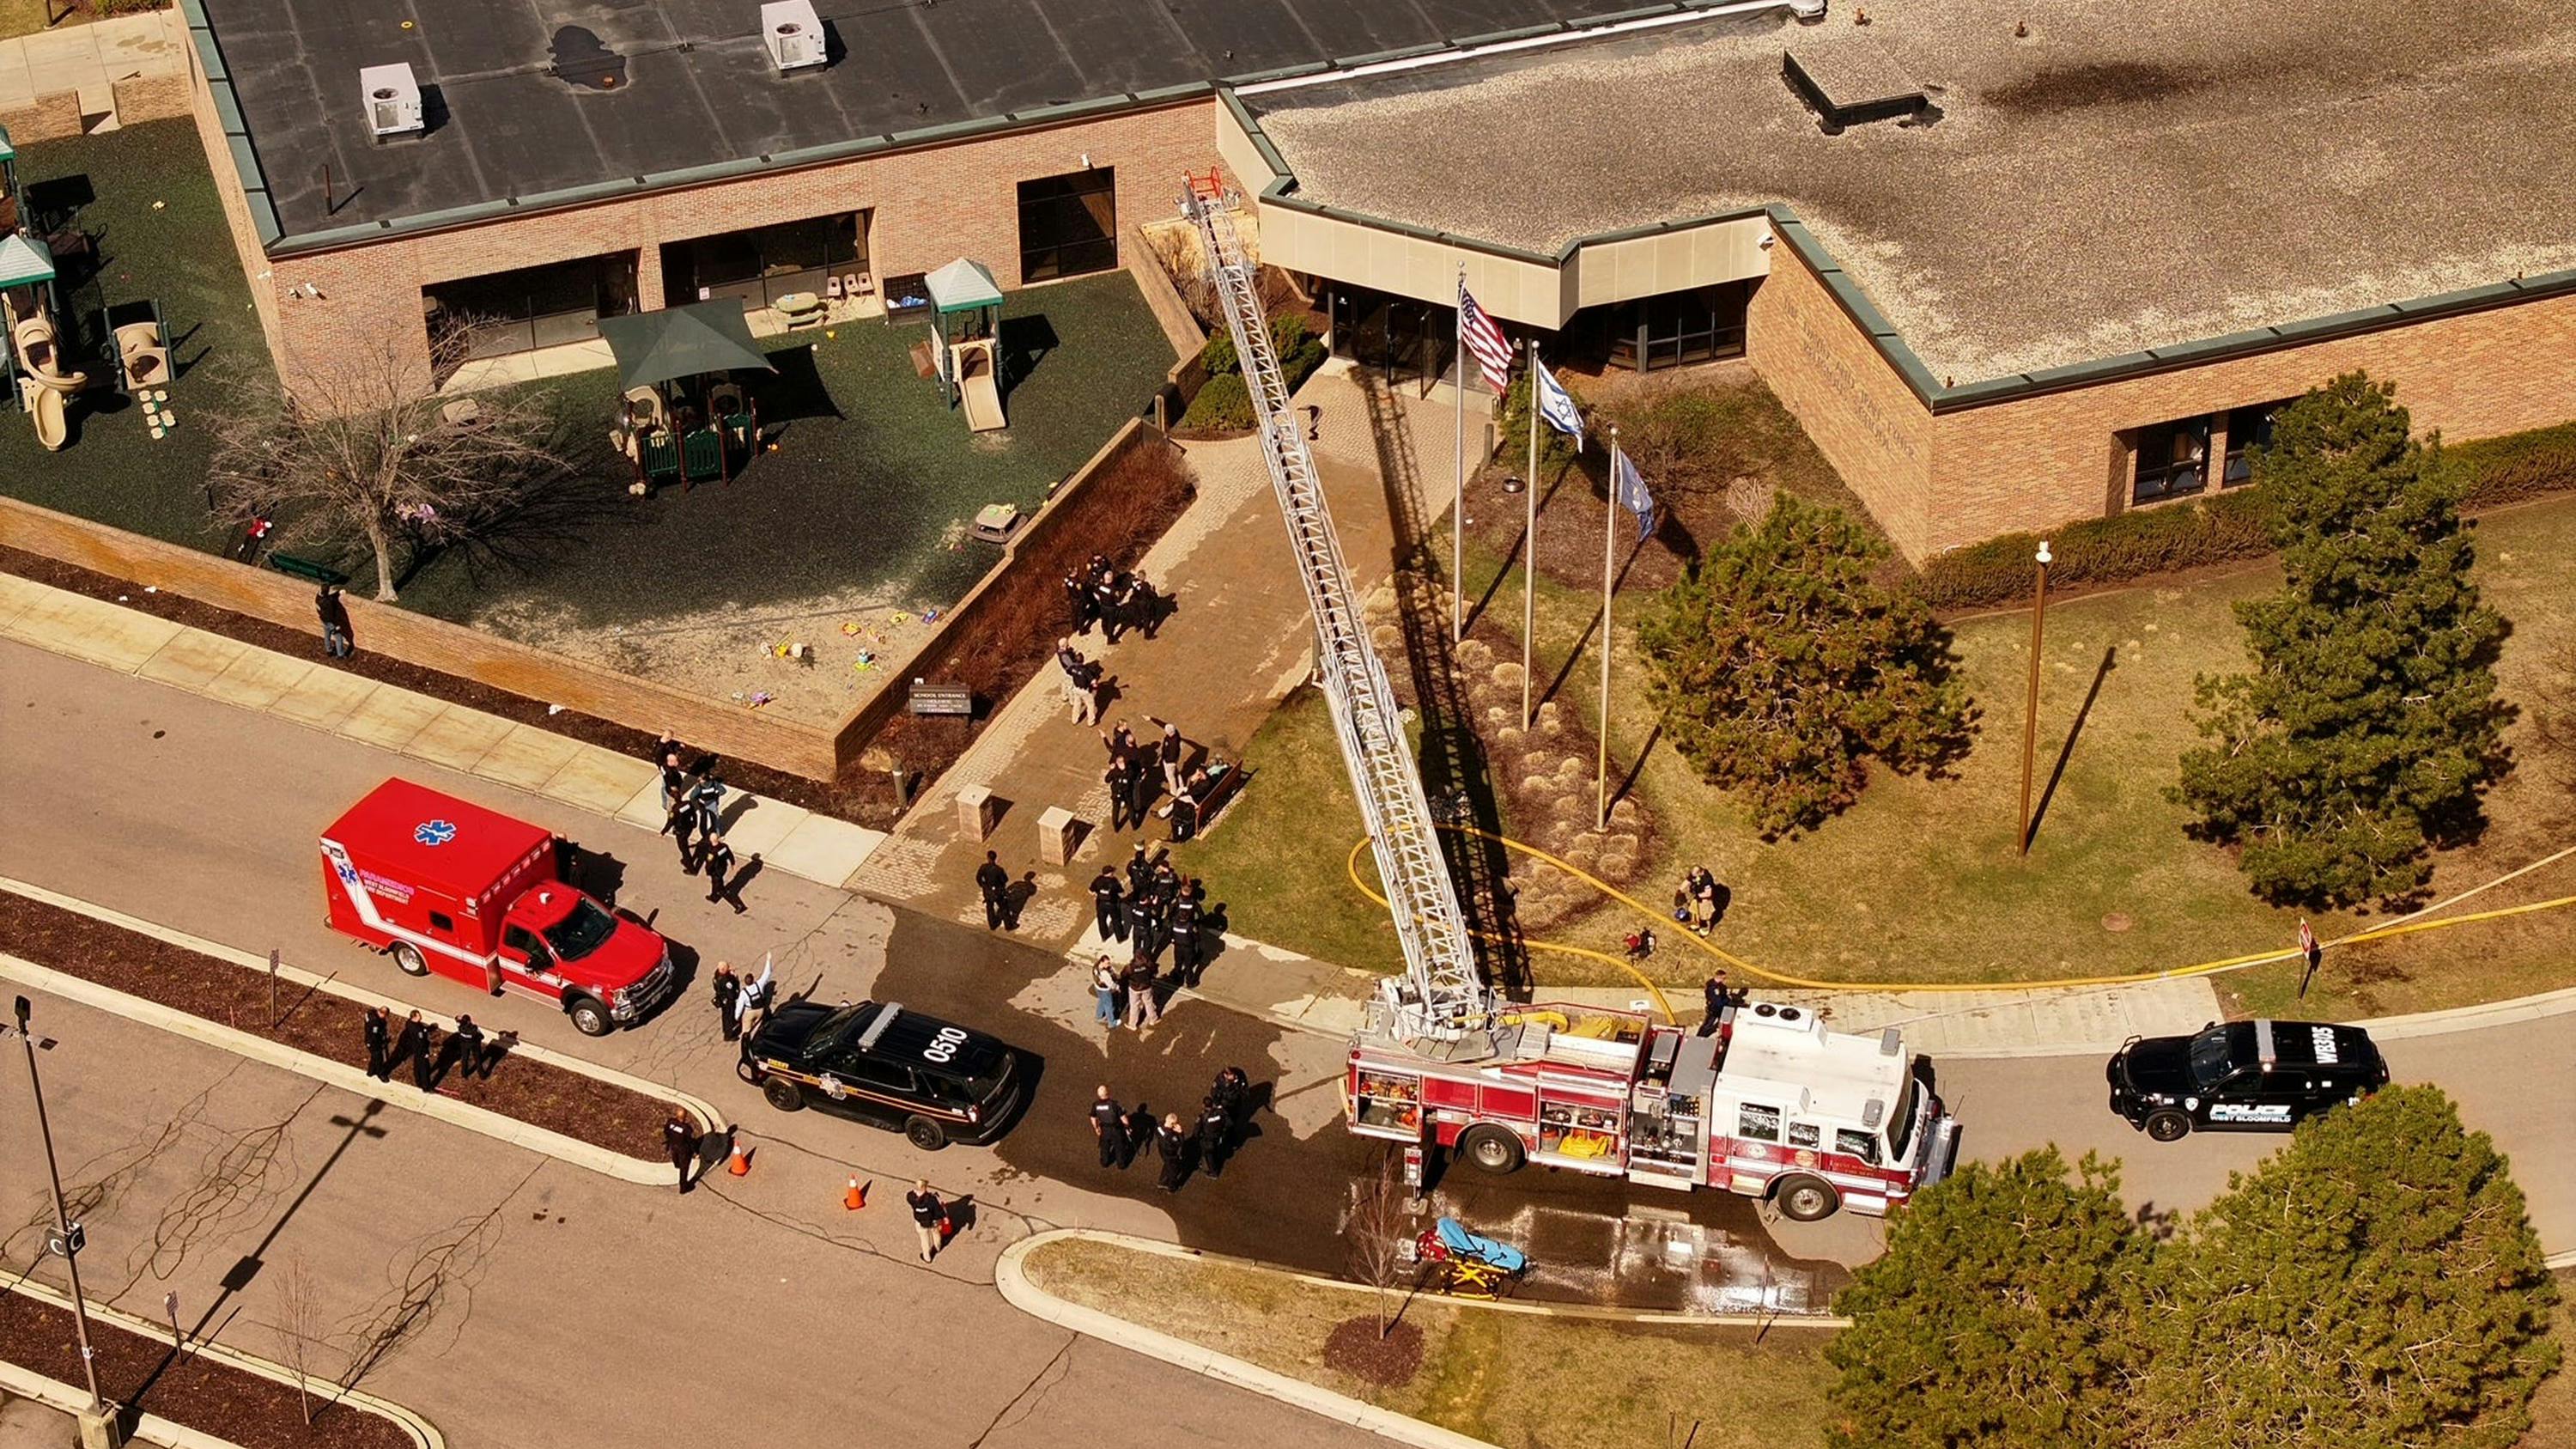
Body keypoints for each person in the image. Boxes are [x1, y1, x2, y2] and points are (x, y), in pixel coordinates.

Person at [907, 1180, 948, 1263]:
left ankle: (927, 1257)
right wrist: (944, 1217)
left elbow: (909, 1198)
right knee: (936, 1234)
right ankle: (938, 1247)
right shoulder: (931, 1199)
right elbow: (938, 1210)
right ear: (925, 1187)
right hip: (933, 1221)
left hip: (920, 1221)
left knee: (924, 1240)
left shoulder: (911, 1197)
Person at [1090, 1086, 1130, 1169]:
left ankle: (1105, 1162)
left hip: (1104, 1129)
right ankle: (1121, 1164)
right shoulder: (1114, 1105)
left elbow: (1093, 1118)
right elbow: (1124, 1118)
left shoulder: (1096, 1105)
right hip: (1116, 1129)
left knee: (1105, 1147)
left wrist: (1096, 1128)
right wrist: (1127, 1127)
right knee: (1119, 1147)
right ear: (1107, 1093)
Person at [1170, 889, 1204, 985]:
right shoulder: (1190, 926)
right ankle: (1190, 981)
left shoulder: (1174, 924)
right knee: (1188, 966)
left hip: (1177, 947)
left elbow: (1171, 935)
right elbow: (1197, 937)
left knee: (1178, 963)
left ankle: (1176, 978)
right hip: (1188, 948)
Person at [1147, 716, 1187, 797]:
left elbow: (1172, 756)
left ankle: (1174, 792)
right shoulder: (1175, 732)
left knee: (1170, 777)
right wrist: (1152, 719)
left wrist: (1165, 761)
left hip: (1170, 761)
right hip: (1171, 760)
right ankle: (1181, 784)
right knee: (1175, 772)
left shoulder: (1174, 743)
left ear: (1170, 733)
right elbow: (1164, 725)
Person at [1195, 1095, 1231, 1178]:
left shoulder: (1203, 1116)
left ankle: (1213, 1173)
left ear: (1203, 1105)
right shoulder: (1220, 1112)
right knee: (1215, 1151)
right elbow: (1229, 1123)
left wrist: (1197, 1139)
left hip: (1207, 1140)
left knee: (1209, 1156)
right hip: (1217, 1137)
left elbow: (1196, 1131)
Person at [1122, 955, 1162, 1031]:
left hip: (1134, 989)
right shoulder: (1148, 964)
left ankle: (1132, 1024)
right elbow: (1154, 972)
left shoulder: (1130, 967)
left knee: (1134, 1006)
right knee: (1149, 1003)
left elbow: (1123, 975)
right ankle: (1153, 1019)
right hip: (1147, 987)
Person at [701, 833, 738, 910]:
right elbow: (730, 855)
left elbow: (709, 864)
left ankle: (737, 905)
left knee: (721, 889)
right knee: (715, 883)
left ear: (711, 840)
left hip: (716, 871)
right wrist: (733, 863)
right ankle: (714, 897)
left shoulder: (712, 851)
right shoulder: (724, 846)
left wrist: (708, 871)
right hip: (723, 868)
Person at [1089, 866, 1127, 942]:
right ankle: (1120, 938)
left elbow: (1090, 891)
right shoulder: (1114, 881)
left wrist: (1096, 894)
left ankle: (1104, 936)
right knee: (1116, 921)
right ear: (1110, 873)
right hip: (1112, 905)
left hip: (1100, 904)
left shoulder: (1098, 880)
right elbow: (1122, 893)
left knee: (1101, 921)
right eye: (1112, 872)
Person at [664, 1108, 697, 1195]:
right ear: (685, 1117)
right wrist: (696, 1151)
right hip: (683, 1149)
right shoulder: (686, 1128)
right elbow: (690, 1141)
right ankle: (683, 1187)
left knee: (674, 1155)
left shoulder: (671, 1122)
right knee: (684, 1168)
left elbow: (666, 1131)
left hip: (673, 1145)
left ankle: (676, 1164)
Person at [1154, 1114, 1190, 1192]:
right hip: (1171, 1154)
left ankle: (1162, 1182)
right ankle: (1172, 1188)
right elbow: (1180, 1143)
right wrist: (1180, 1133)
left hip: (1162, 1150)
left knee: (1167, 1164)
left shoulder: (1159, 1126)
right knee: (1173, 1171)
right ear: (1172, 1124)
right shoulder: (1171, 1135)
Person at [316, 583, 354, 659]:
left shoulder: (318, 598)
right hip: (331, 623)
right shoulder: (328, 603)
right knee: (338, 637)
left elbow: (330, 597)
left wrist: (338, 593)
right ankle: (341, 654)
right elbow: (332, 615)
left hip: (323, 620)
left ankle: (329, 650)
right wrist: (336, 626)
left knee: (327, 635)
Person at [975, 850, 1009, 930]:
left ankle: (992, 925)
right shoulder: (999, 870)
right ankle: (1008, 925)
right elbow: (1005, 880)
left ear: (988, 858)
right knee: (1003, 907)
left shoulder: (983, 867)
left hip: (988, 892)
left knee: (990, 908)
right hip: (998, 892)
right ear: (995, 858)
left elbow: (978, 878)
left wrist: (983, 885)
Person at [711, 962, 742, 1041]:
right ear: (724, 970)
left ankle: (725, 1030)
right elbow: (731, 993)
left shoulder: (716, 976)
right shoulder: (727, 981)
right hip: (728, 1001)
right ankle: (729, 1035)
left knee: (725, 1016)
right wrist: (735, 979)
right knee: (729, 1017)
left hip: (721, 999)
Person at [410, 1014, 441, 1091]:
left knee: (417, 1067)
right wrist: (426, 1054)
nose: (420, 1017)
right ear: (414, 1017)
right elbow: (421, 1043)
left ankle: (418, 1082)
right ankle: (426, 1087)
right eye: (419, 1016)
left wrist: (428, 1029)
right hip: (421, 1052)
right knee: (424, 1070)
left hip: (416, 1051)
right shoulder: (418, 1031)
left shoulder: (411, 1024)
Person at [452, 1014, 487, 1081]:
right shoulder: (474, 1028)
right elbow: (481, 1036)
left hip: (464, 1045)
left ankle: (464, 1074)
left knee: (465, 1059)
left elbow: (458, 1022)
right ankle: (482, 1075)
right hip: (474, 1045)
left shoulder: (460, 1028)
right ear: (469, 1021)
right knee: (478, 1060)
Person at [1698, 971, 1733, 1038]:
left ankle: (1703, 1034)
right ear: (1719, 977)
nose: (1725, 980)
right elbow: (1717, 1001)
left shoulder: (1713, 984)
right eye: (1724, 978)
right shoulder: (1713, 988)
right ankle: (1701, 1036)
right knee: (1708, 1024)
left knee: (1711, 1023)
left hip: (1715, 1007)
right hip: (1715, 1009)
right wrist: (1728, 1000)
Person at [1091, 955, 1122, 1028]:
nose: (1109, 965)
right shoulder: (1105, 973)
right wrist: (1117, 988)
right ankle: (1111, 1022)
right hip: (1105, 991)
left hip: (1098, 988)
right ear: (1102, 962)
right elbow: (1111, 984)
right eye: (1107, 963)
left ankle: (1099, 1015)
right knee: (1109, 1006)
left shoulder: (1096, 967)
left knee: (1102, 1001)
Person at [362, 1005, 392, 1081]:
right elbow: (375, 1036)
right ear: (383, 1014)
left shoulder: (371, 1013)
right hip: (373, 1043)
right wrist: (382, 1043)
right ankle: (381, 1073)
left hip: (369, 1040)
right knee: (379, 1059)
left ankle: (371, 1071)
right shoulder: (376, 1023)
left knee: (375, 1057)